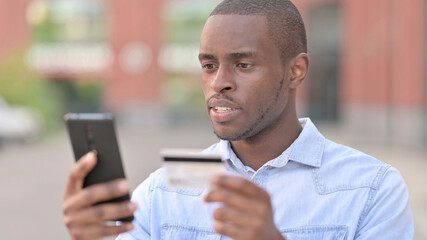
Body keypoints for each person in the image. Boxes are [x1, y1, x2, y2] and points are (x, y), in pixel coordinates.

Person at [62, 0, 414, 239]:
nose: (219, 82)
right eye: (209, 65)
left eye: (243, 64)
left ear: (295, 71)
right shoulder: (162, 190)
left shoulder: (372, 189)